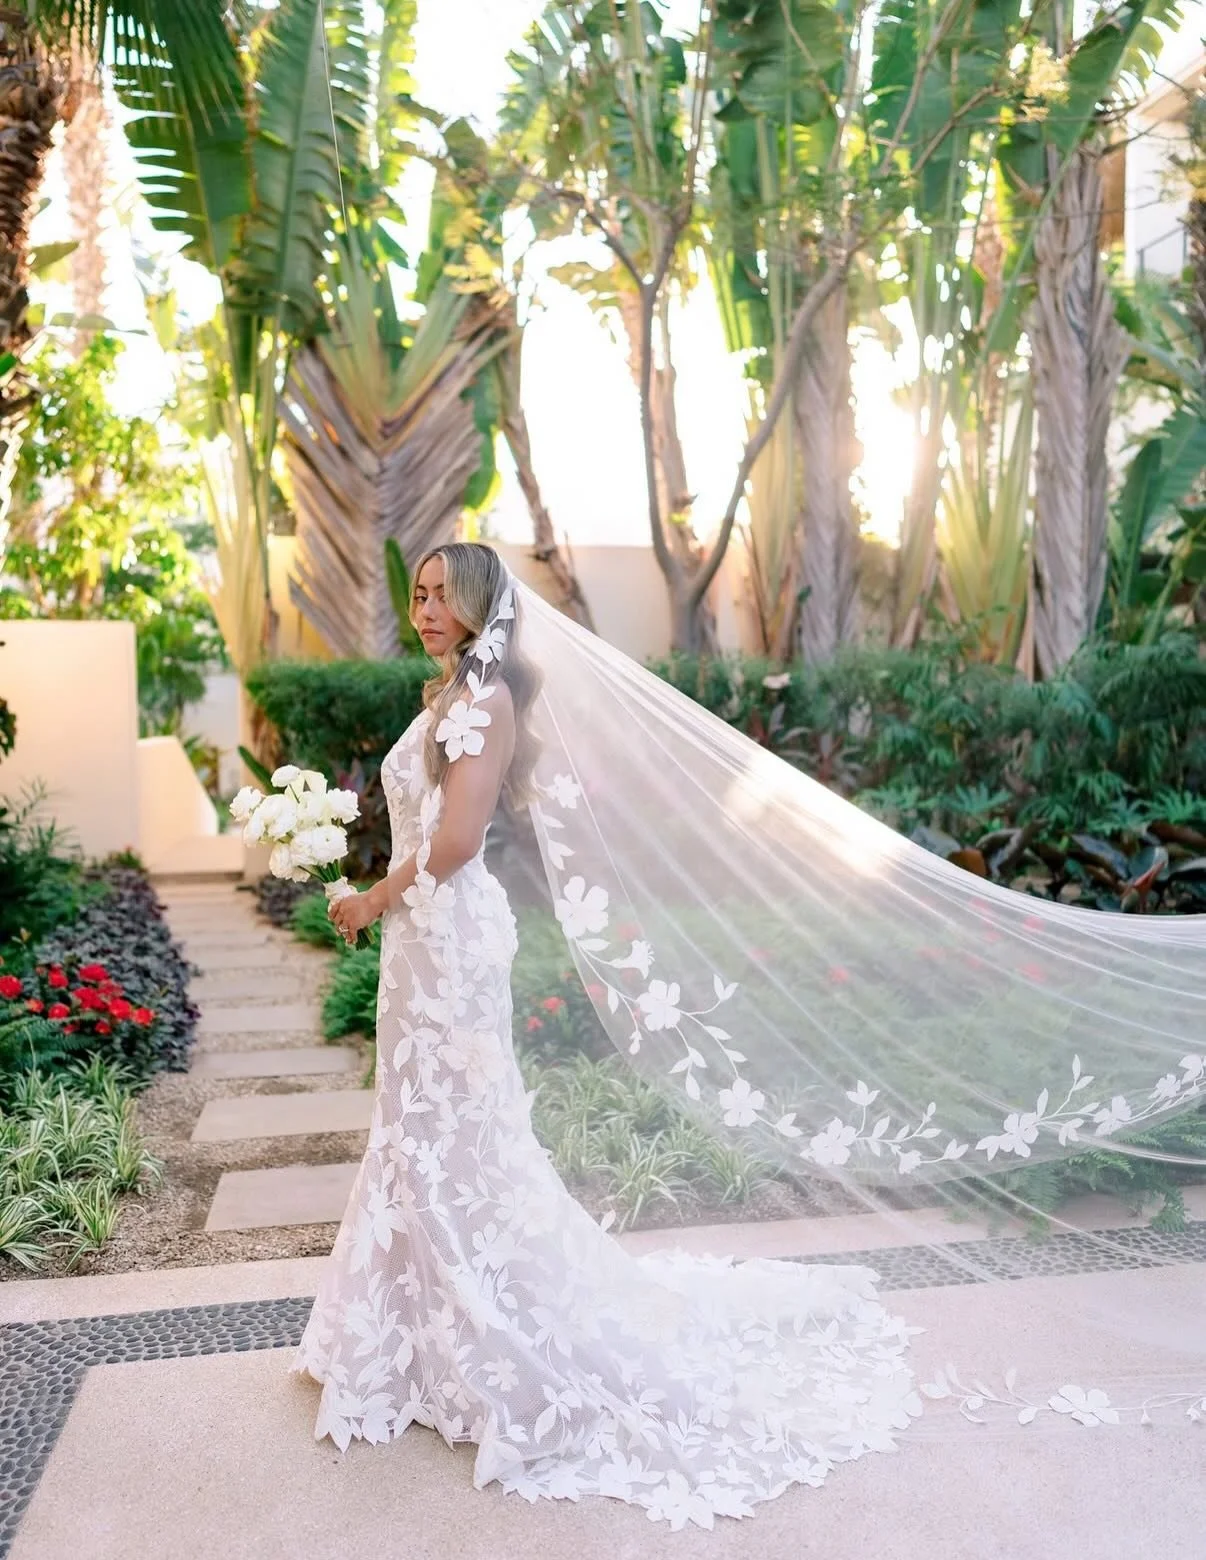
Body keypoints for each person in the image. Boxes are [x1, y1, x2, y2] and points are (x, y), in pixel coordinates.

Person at [290, 542, 921, 1529]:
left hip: (444, 939)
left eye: (439, 595)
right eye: (414, 594)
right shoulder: (449, 690)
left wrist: (372, 896)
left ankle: (472, 1336)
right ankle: (401, 1333)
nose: (422, 608)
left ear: (477, 605)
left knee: (451, 1133)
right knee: (417, 1130)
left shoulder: (485, 702)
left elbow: (454, 846)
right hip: (427, 942)